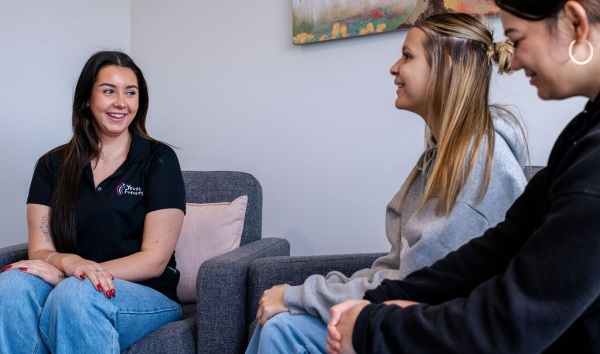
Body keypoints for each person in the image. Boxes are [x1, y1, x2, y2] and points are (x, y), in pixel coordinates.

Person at [326, 1, 600, 353]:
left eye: (516, 39)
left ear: (576, 24)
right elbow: (496, 248)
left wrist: (371, 326)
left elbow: (511, 322)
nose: (511, 61)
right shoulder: (580, 135)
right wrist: (381, 299)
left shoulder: (591, 162)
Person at [246, 12, 529, 354]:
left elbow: (417, 282)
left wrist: (298, 296)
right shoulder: (444, 157)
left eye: (408, 56)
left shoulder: (477, 161)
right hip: (418, 311)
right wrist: (305, 294)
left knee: (283, 330)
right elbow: (399, 267)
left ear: (448, 66)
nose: (394, 68)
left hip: (447, 327)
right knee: (278, 322)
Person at [0, 51, 186, 353]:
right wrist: (71, 268)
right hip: (72, 282)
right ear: (87, 99)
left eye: (130, 92)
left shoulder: (158, 160)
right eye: (108, 91)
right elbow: (41, 249)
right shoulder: (51, 165)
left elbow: (155, 260)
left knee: (76, 295)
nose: (121, 103)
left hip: (146, 294)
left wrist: (73, 276)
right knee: (10, 287)